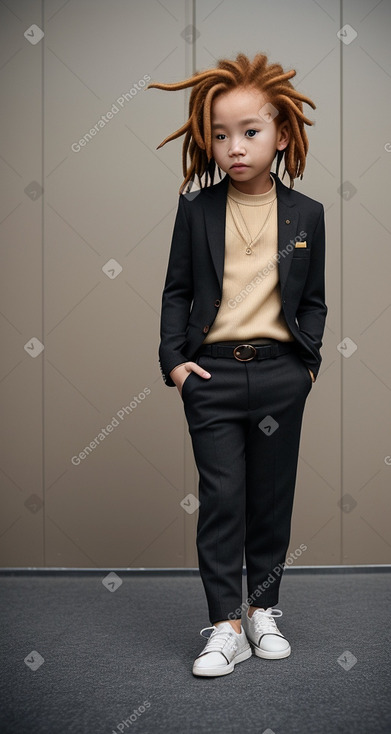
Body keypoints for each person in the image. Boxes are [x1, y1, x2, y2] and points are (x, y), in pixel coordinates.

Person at [147, 52, 327, 677]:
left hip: (281, 374)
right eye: (220, 135)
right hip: (213, 377)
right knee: (222, 497)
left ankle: (262, 609)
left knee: (271, 498)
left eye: (250, 132)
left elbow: (314, 300)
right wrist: (175, 363)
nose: (234, 146)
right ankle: (224, 623)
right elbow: (175, 291)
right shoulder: (196, 210)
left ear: (282, 135)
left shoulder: (307, 214)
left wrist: (308, 367)